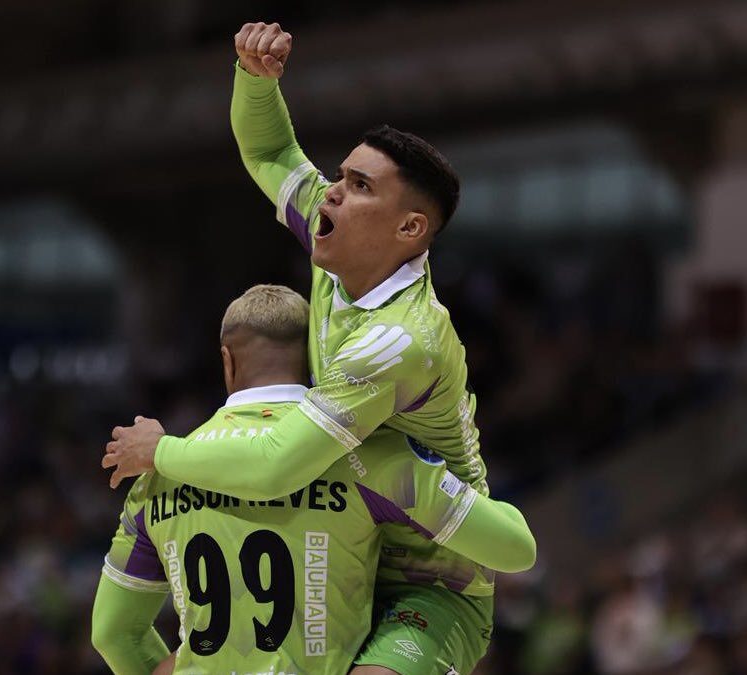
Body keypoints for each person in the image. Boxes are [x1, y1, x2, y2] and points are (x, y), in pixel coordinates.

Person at [104, 21, 511, 672]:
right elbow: (269, 154)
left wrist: (164, 450)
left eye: (359, 186)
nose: (333, 191)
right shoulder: (339, 251)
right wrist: (255, 81)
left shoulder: (400, 340)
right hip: (346, 538)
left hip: (426, 576)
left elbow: (274, 469)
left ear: (409, 228)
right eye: (342, 175)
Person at [92, 285, 535, 674]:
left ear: (227, 363)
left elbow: (113, 635)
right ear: (316, 361)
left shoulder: (155, 474)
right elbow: (514, 549)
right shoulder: (367, 457)